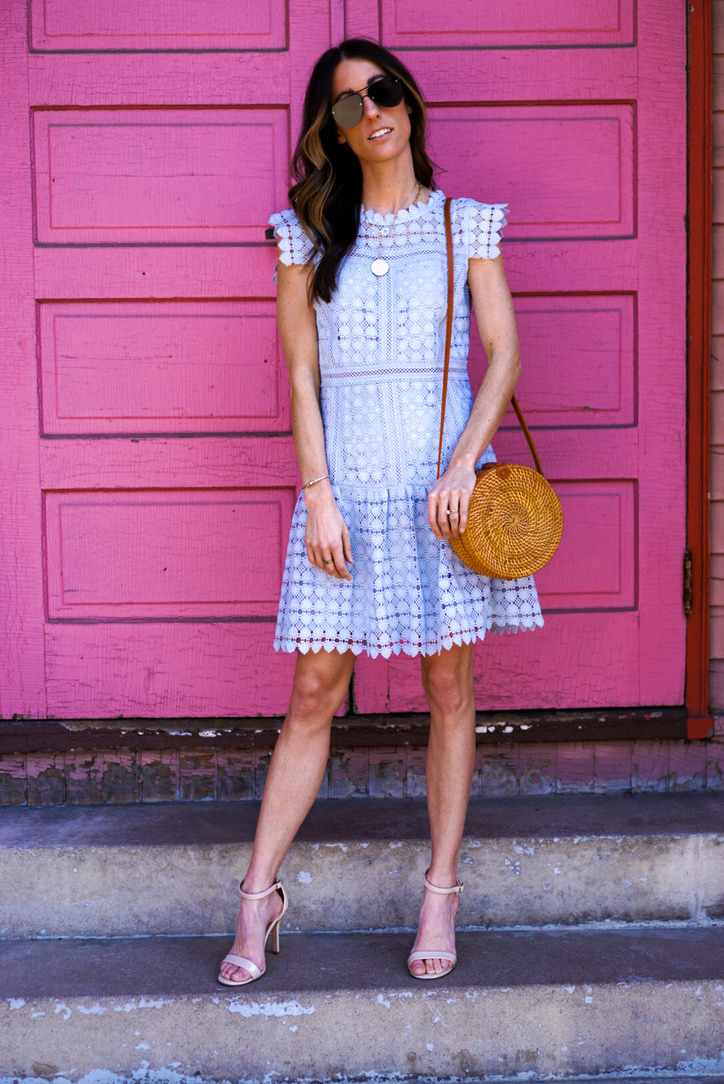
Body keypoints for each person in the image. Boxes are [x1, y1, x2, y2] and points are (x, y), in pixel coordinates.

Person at [218, 38, 543, 987]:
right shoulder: (306, 235)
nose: (374, 111)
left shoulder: (466, 225)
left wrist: (460, 466)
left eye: (385, 91)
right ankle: (257, 897)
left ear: (410, 105)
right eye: (350, 103)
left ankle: (440, 891)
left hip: (441, 492)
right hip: (347, 490)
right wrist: (317, 494)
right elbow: (302, 377)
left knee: (450, 689)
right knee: (315, 693)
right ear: (335, 129)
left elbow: (505, 355)